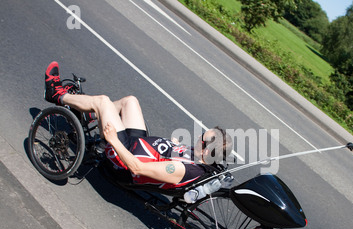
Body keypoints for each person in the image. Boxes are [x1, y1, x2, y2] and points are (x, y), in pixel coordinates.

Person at [44, 61, 232, 189]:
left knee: (103, 101)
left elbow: (137, 168)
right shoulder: (201, 157)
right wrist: (174, 145)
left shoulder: (183, 170)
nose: (198, 138)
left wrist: (113, 141)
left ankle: (56, 94)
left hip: (124, 159)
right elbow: (173, 156)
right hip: (138, 144)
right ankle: (88, 109)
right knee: (130, 101)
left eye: (203, 140)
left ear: (208, 152)